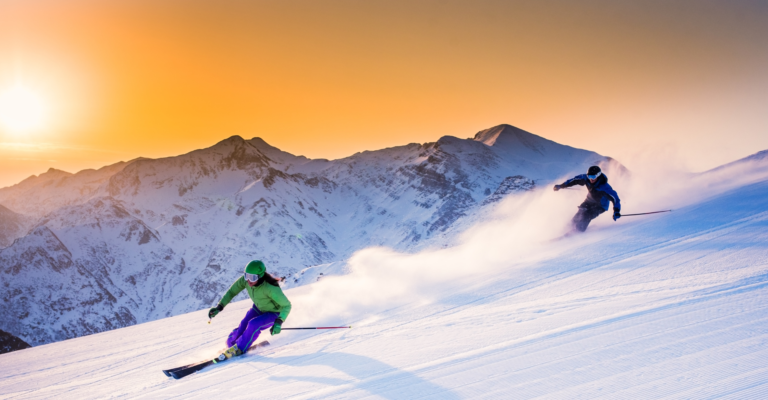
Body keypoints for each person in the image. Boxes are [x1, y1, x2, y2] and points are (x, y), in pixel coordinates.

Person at [208, 260, 291, 360]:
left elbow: (286, 305)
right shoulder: (246, 281)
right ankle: (232, 345)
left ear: (260, 276)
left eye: (252, 277)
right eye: (247, 276)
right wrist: (219, 307)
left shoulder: (270, 288)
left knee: (253, 324)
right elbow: (231, 292)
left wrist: (279, 322)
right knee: (243, 325)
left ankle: (239, 348)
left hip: (274, 313)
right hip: (258, 308)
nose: (248, 280)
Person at [553, 165, 621, 233]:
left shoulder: (604, 187)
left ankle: (579, 230)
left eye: (593, 177)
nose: (591, 179)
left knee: (587, 214)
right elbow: (574, 180)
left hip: (600, 206)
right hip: (589, 201)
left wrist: (616, 211)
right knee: (580, 212)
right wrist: (561, 186)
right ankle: (568, 227)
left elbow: (615, 199)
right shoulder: (586, 178)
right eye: (589, 176)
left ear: (598, 176)